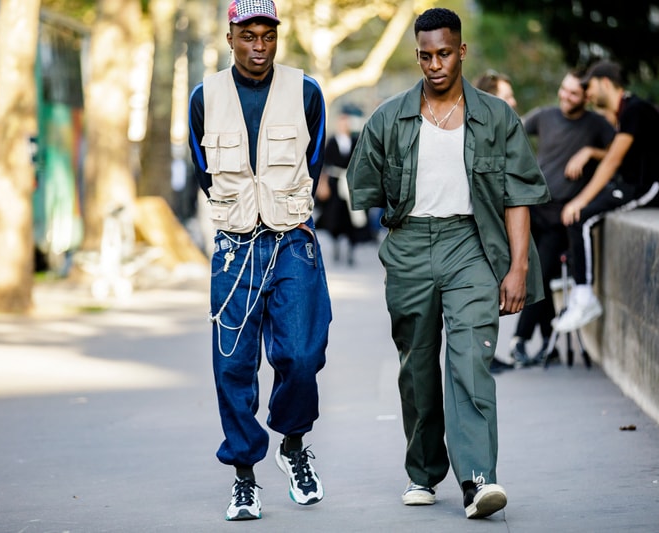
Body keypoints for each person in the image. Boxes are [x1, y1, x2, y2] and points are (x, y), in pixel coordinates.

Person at [347, 8, 550, 520]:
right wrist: (398, 231)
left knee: (471, 360)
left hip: (472, 244)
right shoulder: (389, 117)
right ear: (416, 55)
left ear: (461, 51)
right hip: (411, 245)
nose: (434, 64)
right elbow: (364, 187)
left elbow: (517, 196)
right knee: (416, 366)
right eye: (425, 56)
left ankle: (478, 480)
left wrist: (518, 267)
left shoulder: (496, 116)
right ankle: (423, 471)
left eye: (443, 53)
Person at [187, 0, 331, 521]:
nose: (259, 47)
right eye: (248, 36)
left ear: (277, 37)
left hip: (293, 240)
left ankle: (293, 444)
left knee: (302, 354)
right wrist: (241, 213)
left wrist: (280, 208)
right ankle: (244, 475)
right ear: (230, 38)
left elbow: (313, 162)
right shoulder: (204, 96)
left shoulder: (307, 91)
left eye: (268, 36)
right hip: (235, 249)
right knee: (233, 364)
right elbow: (204, 169)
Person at [500, 69, 616, 368]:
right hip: (532, 208)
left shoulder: (596, 125)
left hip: (560, 216)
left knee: (538, 272)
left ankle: (520, 340)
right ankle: (547, 339)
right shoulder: (545, 116)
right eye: (563, 89)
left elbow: (619, 154)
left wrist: (590, 152)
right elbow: (509, 133)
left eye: (574, 93)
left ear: (586, 98)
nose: (566, 96)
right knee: (533, 272)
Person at [555, 60, 659, 332]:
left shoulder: (635, 110)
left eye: (591, 87)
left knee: (581, 215)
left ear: (605, 82)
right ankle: (580, 296)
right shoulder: (624, 113)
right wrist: (590, 153)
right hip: (631, 185)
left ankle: (585, 298)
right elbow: (613, 154)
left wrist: (580, 200)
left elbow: (612, 162)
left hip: (651, 189)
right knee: (578, 219)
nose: (588, 95)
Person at [315, 104, 372, 265]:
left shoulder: (355, 140)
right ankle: (336, 247)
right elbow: (324, 164)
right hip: (335, 184)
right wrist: (323, 185)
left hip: (350, 184)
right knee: (334, 217)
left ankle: (351, 251)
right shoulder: (332, 141)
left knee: (352, 219)